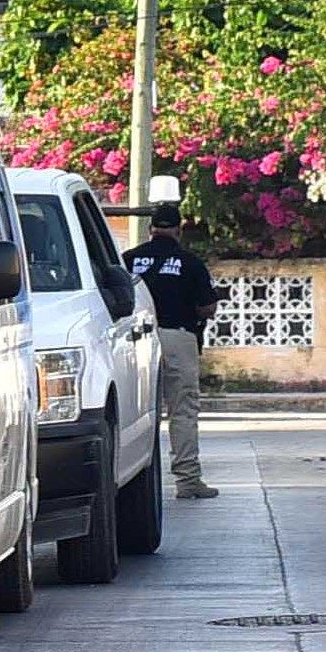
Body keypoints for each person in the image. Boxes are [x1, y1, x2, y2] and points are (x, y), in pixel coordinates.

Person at [123, 203, 220, 499]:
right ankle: (188, 480)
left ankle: (132, 483)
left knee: (135, 413)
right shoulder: (190, 263)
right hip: (177, 338)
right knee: (183, 411)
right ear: (179, 229)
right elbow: (208, 306)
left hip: (134, 341)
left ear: (151, 228)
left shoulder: (128, 260)